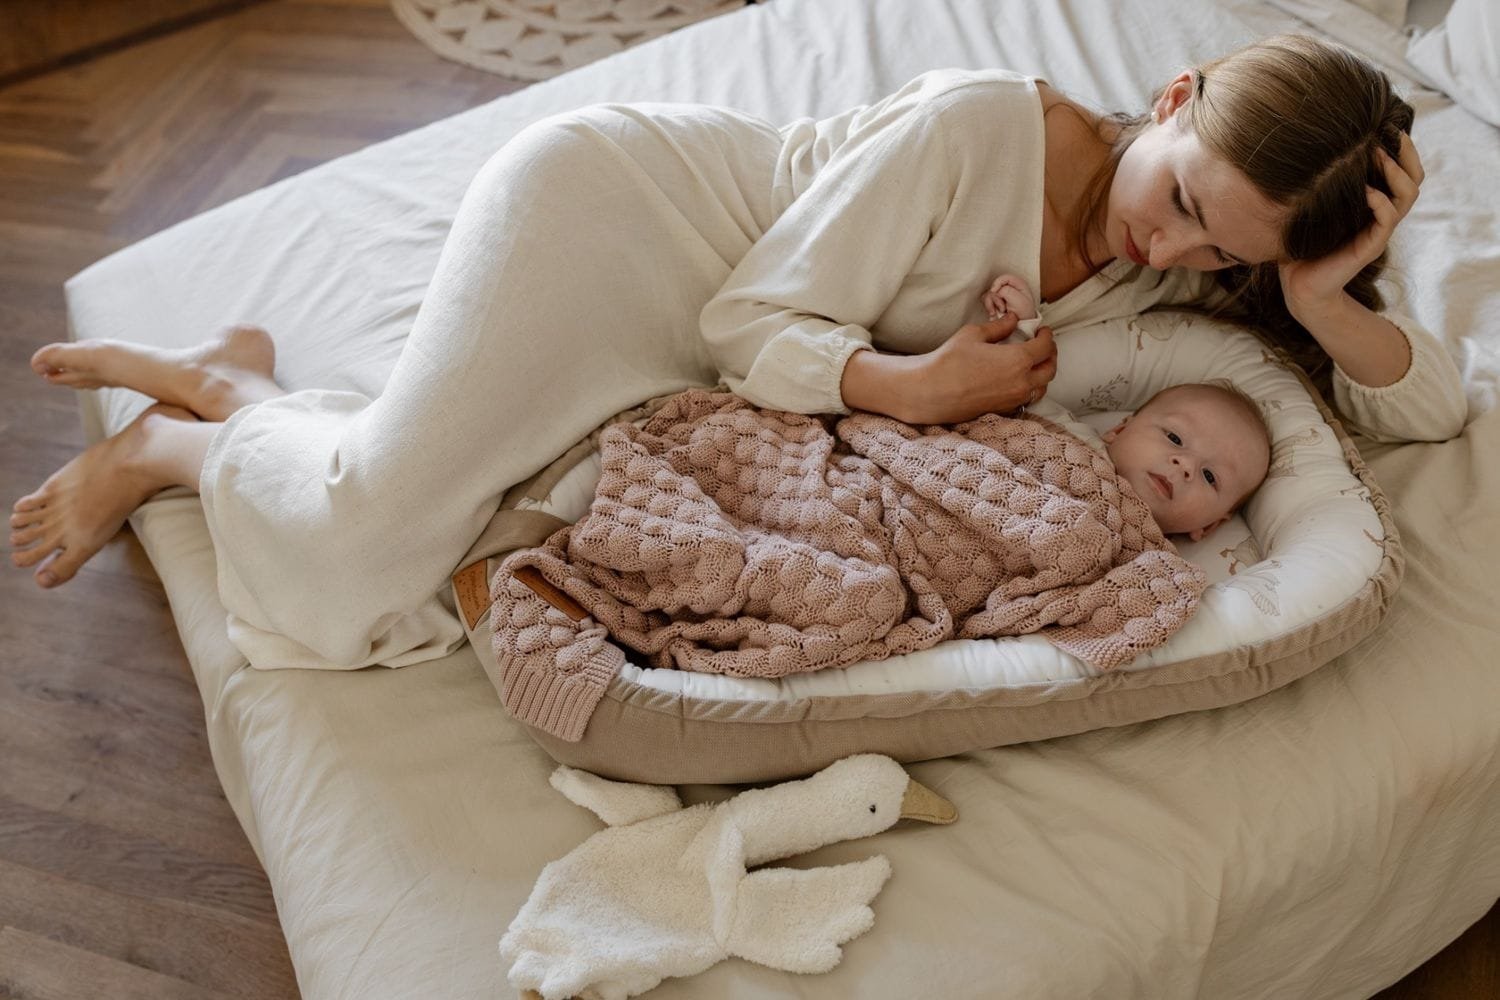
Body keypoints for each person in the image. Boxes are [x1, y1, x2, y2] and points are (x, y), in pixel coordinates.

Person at [10, 34, 1467, 670]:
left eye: (1228, 256)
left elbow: (1431, 412)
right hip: (629, 230)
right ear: (1172, 95)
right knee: (352, 565)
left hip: (708, 382)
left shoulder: (1188, 273)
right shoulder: (977, 127)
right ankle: (205, 423)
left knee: (452, 577)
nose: (1178, 254)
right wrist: (917, 388)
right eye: (1186, 202)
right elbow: (749, 323)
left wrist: (1328, 292)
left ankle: (250, 395)